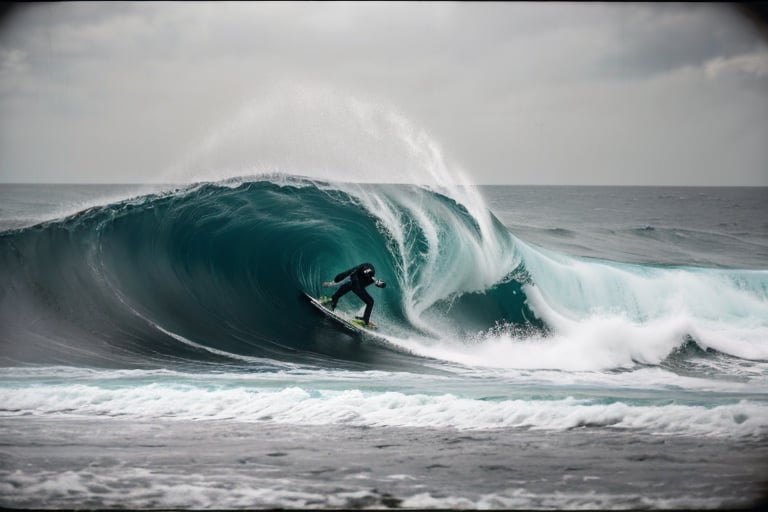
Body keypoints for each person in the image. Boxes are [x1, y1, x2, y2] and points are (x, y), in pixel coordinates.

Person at [322, 262, 386, 326]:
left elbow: (368, 276)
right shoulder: (370, 271)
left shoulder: (365, 273)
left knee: (345, 287)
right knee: (370, 302)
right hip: (355, 283)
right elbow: (369, 273)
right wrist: (376, 281)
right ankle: (364, 321)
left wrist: (376, 281)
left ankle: (332, 303)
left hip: (352, 283)